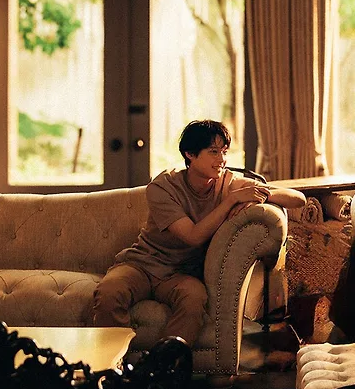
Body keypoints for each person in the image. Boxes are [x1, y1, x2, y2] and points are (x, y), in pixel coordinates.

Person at [93, 119, 306, 345]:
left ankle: (166, 363)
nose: (222, 159)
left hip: (182, 273)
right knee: (109, 292)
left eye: (224, 152)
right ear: (190, 154)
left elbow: (298, 199)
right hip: (142, 264)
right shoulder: (163, 186)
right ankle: (113, 363)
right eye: (213, 152)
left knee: (194, 300)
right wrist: (232, 201)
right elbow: (193, 236)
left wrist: (259, 195)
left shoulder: (228, 183)